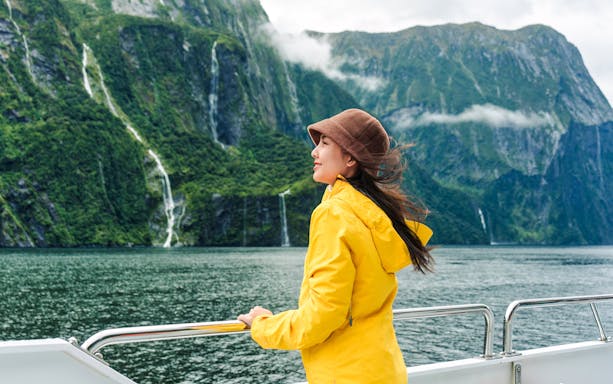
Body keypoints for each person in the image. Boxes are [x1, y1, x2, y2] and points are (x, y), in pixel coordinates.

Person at [238, 108, 434, 383]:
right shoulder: (373, 215)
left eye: (325, 143)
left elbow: (322, 316)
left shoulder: (334, 215)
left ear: (351, 157)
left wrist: (262, 325)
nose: (314, 152)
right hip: (384, 371)